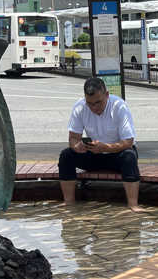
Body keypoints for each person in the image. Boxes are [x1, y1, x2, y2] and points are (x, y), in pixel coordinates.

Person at [59, 77, 145, 212]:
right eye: (90, 103)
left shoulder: (119, 106)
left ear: (107, 95)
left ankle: (133, 204)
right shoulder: (80, 106)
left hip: (117, 154)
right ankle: (69, 201)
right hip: (94, 154)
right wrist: (77, 146)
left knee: (129, 156)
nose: (94, 107)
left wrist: (106, 148)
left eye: (98, 102)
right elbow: (73, 138)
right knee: (66, 155)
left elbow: (128, 142)